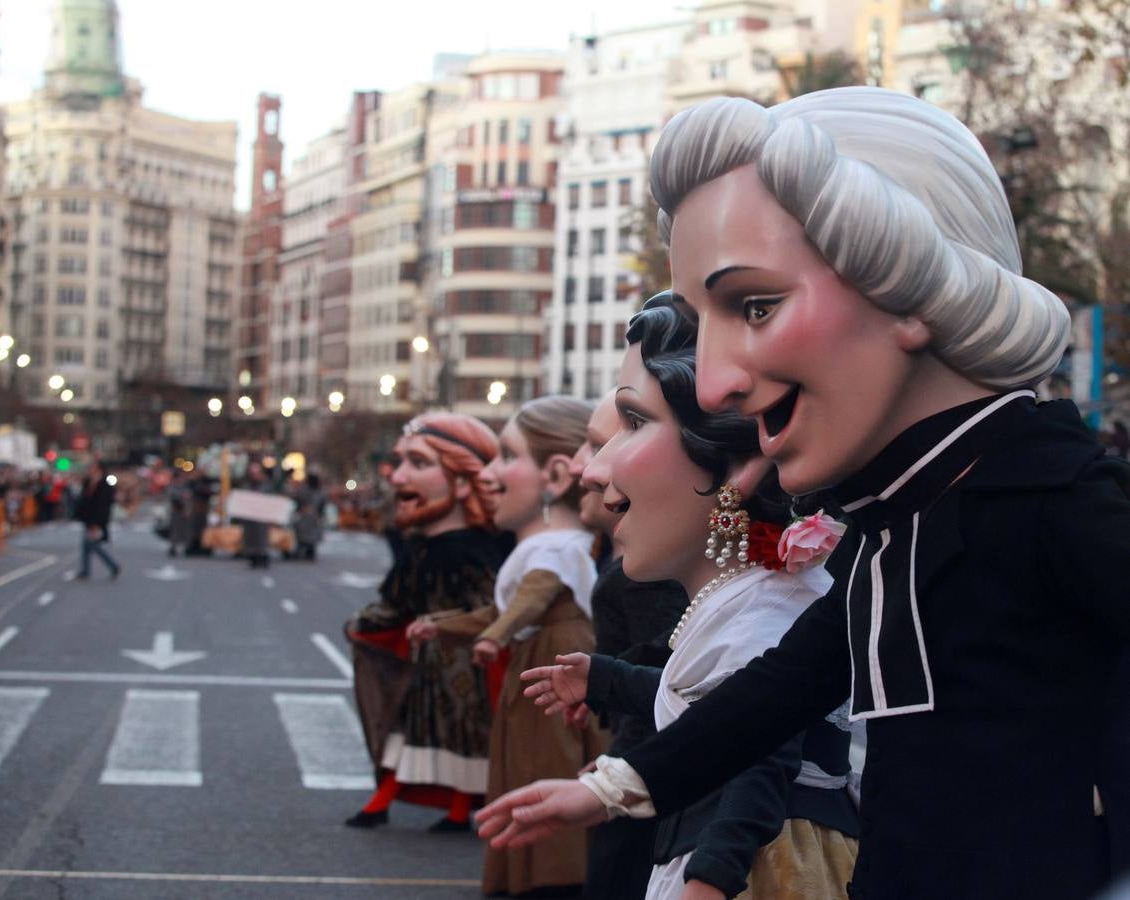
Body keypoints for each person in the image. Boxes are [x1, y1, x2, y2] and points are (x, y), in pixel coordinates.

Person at [476, 88, 1130, 900]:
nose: (713, 385)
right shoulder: (889, 525)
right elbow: (782, 686)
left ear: (907, 278)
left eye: (755, 304)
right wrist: (609, 786)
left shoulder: (1054, 499)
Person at [524, 297, 858, 900]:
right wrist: (609, 680)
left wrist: (710, 879)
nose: (594, 471)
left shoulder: (769, 604)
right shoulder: (752, 596)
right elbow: (720, 704)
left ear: (737, 465)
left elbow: (759, 739)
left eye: (633, 421)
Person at [409, 395, 606, 897]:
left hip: (550, 666)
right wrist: (445, 624)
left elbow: (529, 601)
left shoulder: (555, 548)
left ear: (557, 475)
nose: (488, 474)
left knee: (545, 768)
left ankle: (548, 877)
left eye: (507, 456)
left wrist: (492, 638)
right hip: (540, 660)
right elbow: (505, 611)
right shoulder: (557, 546)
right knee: (530, 767)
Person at [344, 413, 512, 833]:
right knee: (411, 729)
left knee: (462, 734)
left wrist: (448, 626)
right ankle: (387, 800)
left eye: (418, 464)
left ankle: (452, 808)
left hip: (463, 664)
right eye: (399, 463)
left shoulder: (473, 551)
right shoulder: (419, 545)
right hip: (426, 662)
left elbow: (492, 607)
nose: (399, 477)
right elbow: (397, 600)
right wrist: (365, 623)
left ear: (460, 481)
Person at [568, 389, 688, 900]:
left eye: (625, 432)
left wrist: (622, 768)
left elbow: (679, 693)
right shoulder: (632, 568)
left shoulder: (649, 577)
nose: (585, 467)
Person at [74, 460, 120, 580]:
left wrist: (97, 523)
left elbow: (104, 505)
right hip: (88, 518)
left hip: (97, 520)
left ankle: (113, 565)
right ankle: (85, 570)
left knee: (93, 545)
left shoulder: (105, 484)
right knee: (87, 545)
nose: (90, 470)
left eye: (92, 467)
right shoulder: (88, 482)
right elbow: (83, 499)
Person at [239, 462, 272, 569]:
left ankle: (262, 556)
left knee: (262, 538)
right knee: (250, 538)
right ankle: (252, 556)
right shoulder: (246, 486)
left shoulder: (267, 486)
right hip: (250, 519)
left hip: (262, 519)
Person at [293, 473, 326, 561]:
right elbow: (322, 505)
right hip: (311, 516)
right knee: (308, 536)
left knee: (304, 536)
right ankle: (308, 552)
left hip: (305, 516)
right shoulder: (319, 491)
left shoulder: (303, 491)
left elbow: (297, 500)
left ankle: (305, 552)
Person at [166, 470, 190, 557]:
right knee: (175, 530)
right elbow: (175, 497)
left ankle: (184, 546)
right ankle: (173, 547)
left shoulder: (184, 487)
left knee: (184, 530)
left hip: (184, 511)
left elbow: (188, 497)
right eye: (181, 477)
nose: (182, 479)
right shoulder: (173, 487)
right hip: (176, 510)